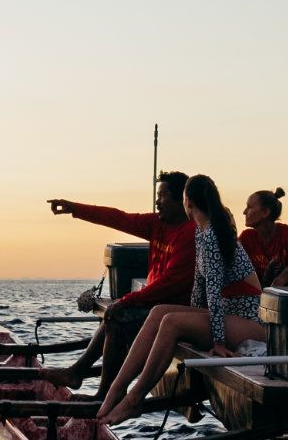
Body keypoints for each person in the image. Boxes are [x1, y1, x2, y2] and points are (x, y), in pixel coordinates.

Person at [97, 174, 263, 426]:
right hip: (227, 315)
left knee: (172, 323)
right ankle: (116, 390)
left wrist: (217, 341)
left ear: (187, 202)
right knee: (159, 312)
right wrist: (193, 316)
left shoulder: (214, 236)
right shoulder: (201, 232)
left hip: (248, 322)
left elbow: (215, 294)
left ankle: (135, 398)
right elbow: (199, 287)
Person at [45, 172, 196, 396]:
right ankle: (77, 372)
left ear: (181, 201)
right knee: (113, 314)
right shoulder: (156, 224)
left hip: (174, 310)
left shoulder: (190, 234)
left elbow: (169, 284)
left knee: (118, 314)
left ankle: (105, 394)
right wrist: (75, 208)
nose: (157, 202)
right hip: (153, 305)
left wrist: (126, 301)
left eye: (163, 196)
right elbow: (118, 218)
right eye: (157, 195)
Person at [240, 187, 288, 288]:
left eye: (249, 207)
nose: (244, 212)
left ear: (265, 212)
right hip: (255, 296)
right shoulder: (246, 237)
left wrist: (281, 278)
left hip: (282, 295)